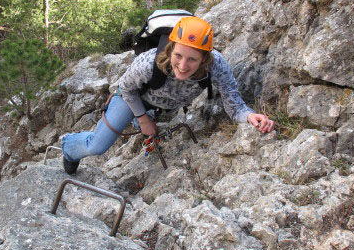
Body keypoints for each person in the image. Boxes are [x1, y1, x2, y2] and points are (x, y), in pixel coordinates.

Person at [61, 16, 275, 174]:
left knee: (147, 127)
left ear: (204, 58)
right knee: (97, 146)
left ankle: (144, 121)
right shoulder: (148, 63)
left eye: (192, 59)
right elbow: (126, 89)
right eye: (178, 56)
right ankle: (69, 146)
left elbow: (235, 105)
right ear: (171, 49)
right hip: (132, 98)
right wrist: (143, 119)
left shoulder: (216, 65)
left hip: (163, 107)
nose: (183, 66)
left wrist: (250, 116)